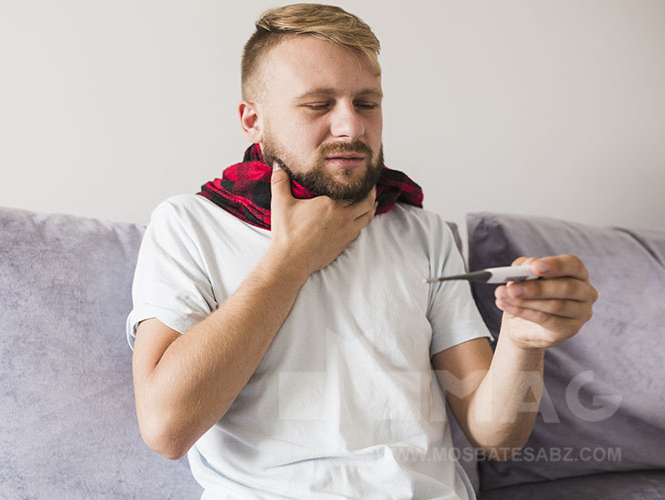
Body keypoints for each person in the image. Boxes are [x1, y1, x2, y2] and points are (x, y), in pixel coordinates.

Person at [126, 4, 598, 499]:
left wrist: (522, 341)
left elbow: (497, 438)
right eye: (318, 105)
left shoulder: (422, 232)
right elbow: (166, 430)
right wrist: (291, 261)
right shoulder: (190, 225)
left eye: (367, 103)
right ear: (253, 121)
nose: (351, 128)